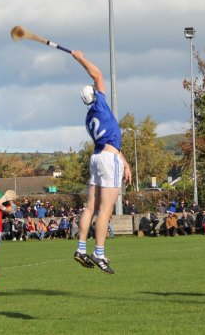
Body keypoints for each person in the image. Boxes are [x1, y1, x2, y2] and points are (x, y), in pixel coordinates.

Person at [71, 50, 132, 275]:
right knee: (105, 210)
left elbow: (108, 143)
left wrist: (124, 162)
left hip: (97, 158)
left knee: (90, 207)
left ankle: (81, 248)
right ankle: (98, 252)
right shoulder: (101, 104)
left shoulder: (89, 117)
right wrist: (80, 58)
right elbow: (97, 75)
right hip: (107, 160)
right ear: (95, 96)